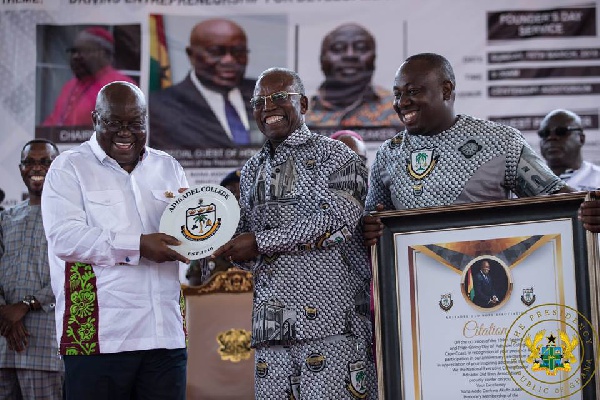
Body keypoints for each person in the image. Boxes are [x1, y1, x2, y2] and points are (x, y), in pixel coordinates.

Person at [212, 68, 376, 399]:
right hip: (271, 331)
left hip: (333, 325)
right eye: (259, 101)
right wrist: (219, 246)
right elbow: (250, 250)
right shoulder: (251, 172)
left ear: (302, 103)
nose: (268, 108)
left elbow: (337, 223)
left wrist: (259, 243)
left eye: (278, 98)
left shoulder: (338, 157)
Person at [41, 81, 189, 399]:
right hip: (100, 337)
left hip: (165, 334)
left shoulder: (168, 168)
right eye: (114, 123)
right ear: (96, 118)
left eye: (135, 123)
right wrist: (138, 244)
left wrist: (201, 255)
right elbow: (64, 238)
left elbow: (186, 235)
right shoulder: (69, 168)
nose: (126, 132)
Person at [363, 53, 575, 245]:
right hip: (416, 279)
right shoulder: (389, 154)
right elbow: (372, 220)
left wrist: (588, 208)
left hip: (490, 274)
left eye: (412, 91)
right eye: (397, 94)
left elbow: (561, 201)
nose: (402, 102)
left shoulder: (500, 141)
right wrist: (370, 226)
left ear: (446, 90)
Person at [0, 139, 64, 399]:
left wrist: (24, 306)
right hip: (3, 340)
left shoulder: (69, 217)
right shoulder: (6, 218)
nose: (36, 168)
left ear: (56, 166)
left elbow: (69, 273)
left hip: (42, 345)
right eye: (29, 162)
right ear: (20, 168)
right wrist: (4, 310)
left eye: (45, 162)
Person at [149, 19, 262, 150]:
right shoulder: (159, 107)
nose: (229, 60)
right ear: (191, 55)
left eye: (238, 52)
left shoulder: (265, 95)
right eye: (216, 52)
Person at [306, 23, 401, 138]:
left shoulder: (397, 109)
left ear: (374, 58)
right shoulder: (300, 112)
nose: (350, 55)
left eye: (361, 48)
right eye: (338, 48)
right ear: (322, 59)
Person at [42, 26, 137, 127]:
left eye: (84, 51)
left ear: (103, 54)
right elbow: (52, 123)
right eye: (73, 52)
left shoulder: (120, 86)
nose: (75, 56)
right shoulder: (69, 86)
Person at [185, 169, 242, 285]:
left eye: (242, 191)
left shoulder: (264, 237)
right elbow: (194, 285)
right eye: (231, 191)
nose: (237, 196)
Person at [539, 109, 600, 192]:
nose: (551, 137)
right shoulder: (524, 185)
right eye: (545, 133)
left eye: (561, 132)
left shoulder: (597, 178)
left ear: (581, 139)